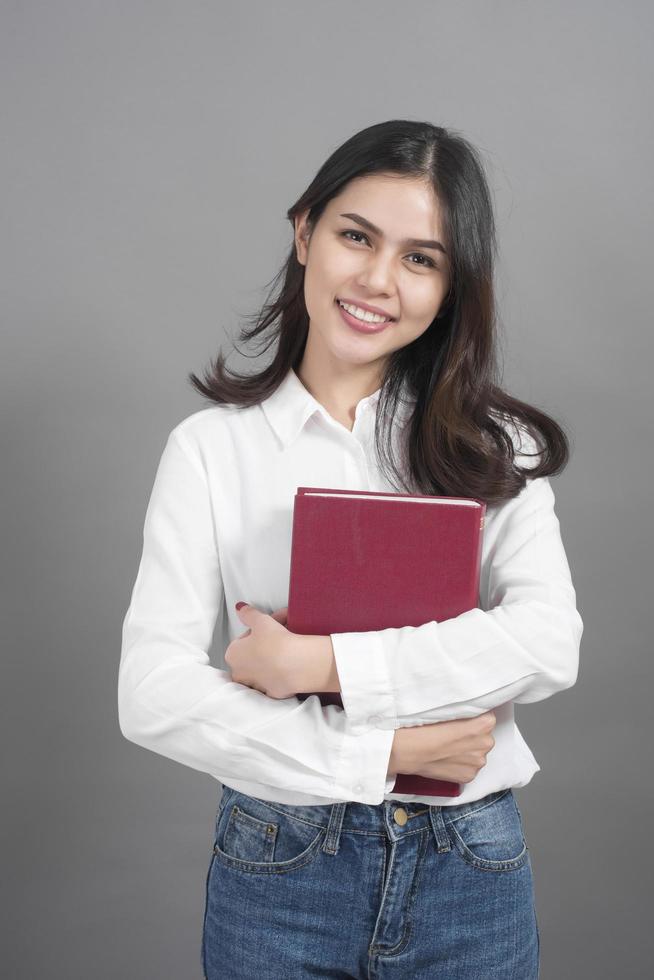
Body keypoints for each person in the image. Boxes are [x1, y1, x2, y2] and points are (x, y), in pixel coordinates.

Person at [118, 119, 583, 979]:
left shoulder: (495, 447)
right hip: (281, 864)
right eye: (356, 236)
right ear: (305, 232)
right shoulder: (210, 450)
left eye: (421, 258)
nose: (376, 280)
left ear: (451, 285)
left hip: (469, 870)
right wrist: (384, 754)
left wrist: (323, 664)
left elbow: (549, 643)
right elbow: (151, 694)